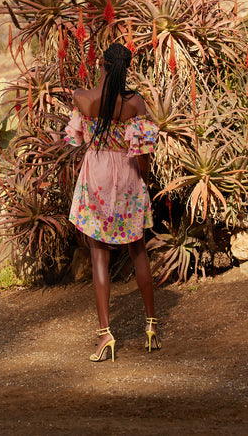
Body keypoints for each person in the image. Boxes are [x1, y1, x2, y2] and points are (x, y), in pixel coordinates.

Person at [65, 41, 160, 362]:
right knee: (138, 250)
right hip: (128, 176)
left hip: (96, 178)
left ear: (102, 65)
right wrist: (143, 184)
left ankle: (106, 336)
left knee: (98, 256)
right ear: (125, 68)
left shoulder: (82, 98)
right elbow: (144, 152)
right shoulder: (135, 103)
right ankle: (151, 327)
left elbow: (73, 142)